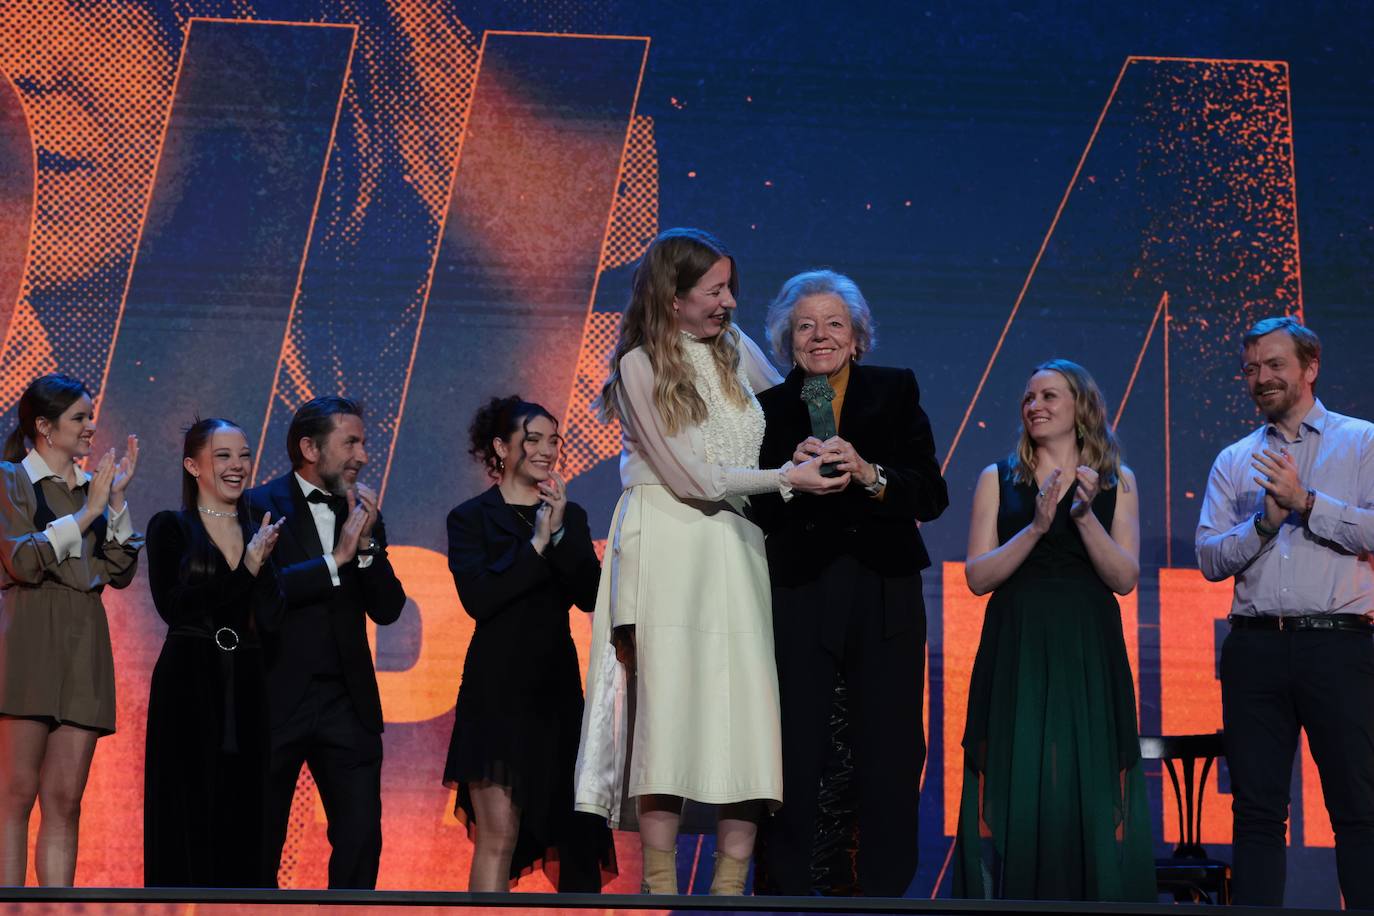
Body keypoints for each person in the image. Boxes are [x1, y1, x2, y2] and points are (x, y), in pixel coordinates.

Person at [573, 227, 847, 896]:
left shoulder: (732, 347)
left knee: (742, 711)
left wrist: (824, 425)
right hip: (667, 543)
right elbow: (690, 477)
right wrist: (786, 478)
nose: (728, 302)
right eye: (714, 290)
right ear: (672, 296)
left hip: (736, 544)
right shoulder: (639, 365)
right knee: (666, 711)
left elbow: (790, 407)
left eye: (730, 288)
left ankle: (729, 891)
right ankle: (661, 885)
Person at [750, 270, 948, 896]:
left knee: (889, 745)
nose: (820, 336)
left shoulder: (893, 390)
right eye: (805, 325)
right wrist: (789, 477)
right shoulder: (767, 409)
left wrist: (871, 472)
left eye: (834, 323)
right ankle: (784, 891)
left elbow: (931, 493)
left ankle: (886, 894)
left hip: (882, 586)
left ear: (858, 337)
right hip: (799, 591)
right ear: (788, 340)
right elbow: (753, 507)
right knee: (793, 744)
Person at [953, 359, 1153, 901]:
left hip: (1088, 647)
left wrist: (1084, 517)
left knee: (1085, 779)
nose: (1035, 406)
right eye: (1029, 397)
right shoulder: (999, 478)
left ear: (1082, 409)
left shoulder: (1118, 482)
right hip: (1017, 644)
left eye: (1050, 396)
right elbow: (977, 576)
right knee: (1018, 777)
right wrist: (1039, 527)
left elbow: (1124, 577)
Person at [1196, 316, 1374, 908]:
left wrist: (1308, 503)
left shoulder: (1362, 442)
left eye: (1274, 365)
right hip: (1254, 649)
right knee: (1256, 814)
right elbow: (1210, 558)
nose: (1261, 378)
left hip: (1338, 644)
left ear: (1310, 367)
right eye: (1251, 369)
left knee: (1358, 807)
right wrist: (1265, 524)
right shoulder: (1233, 459)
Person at [444, 396, 615, 892]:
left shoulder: (571, 514)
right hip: (495, 693)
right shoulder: (470, 518)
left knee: (576, 836)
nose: (546, 449)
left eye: (554, 439)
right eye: (533, 439)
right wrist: (536, 544)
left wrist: (560, 535)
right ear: (501, 446)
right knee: (499, 836)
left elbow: (588, 595)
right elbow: (480, 599)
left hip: (555, 690)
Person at [246, 396, 407, 889]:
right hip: (275, 694)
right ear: (310, 448)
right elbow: (261, 596)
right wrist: (334, 560)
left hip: (346, 700)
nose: (362, 456)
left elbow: (388, 607)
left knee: (360, 838)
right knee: (257, 840)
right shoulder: (258, 505)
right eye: (351, 443)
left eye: (363, 443)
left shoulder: (362, 513)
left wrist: (367, 548)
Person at [0, 373, 142, 885]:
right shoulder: (11, 479)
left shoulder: (94, 490)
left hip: (84, 642)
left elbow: (120, 571)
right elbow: (22, 560)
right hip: (29, 637)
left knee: (65, 798)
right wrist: (87, 514)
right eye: (79, 418)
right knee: (14, 795)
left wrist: (116, 503)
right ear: (43, 426)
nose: (90, 427)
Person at [143, 418, 287, 886]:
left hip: (248, 682)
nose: (237, 465)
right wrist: (245, 570)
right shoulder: (171, 526)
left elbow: (271, 618)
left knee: (246, 810)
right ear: (193, 465)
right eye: (223, 455)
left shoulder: (259, 529)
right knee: (186, 808)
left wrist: (262, 569)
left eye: (243, 455)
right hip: (188, 679)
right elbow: (175, 607)